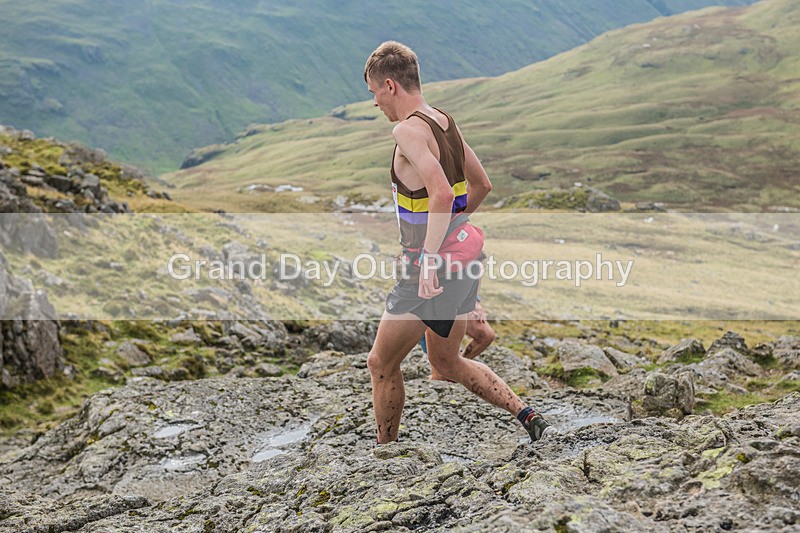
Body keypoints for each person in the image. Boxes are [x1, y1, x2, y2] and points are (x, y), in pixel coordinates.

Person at [364, 41, 553, 444]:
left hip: (428, 268)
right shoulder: (444, 121)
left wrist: (429, 257)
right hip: (464, 260)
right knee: (446, 362)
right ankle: (528, 415)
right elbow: (482, 185)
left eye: (375, 92)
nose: (375, 102)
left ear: (390, 85)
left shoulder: (407, 130)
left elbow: (442, 192)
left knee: (380, 363)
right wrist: (452, 232)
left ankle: (384, 456)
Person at [421, 297, 496, 381]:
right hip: (433, 302)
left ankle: (456, 366)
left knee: (487, 335)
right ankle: (440, 371)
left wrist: (475, 301)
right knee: (440, 376)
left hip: (459, 297)